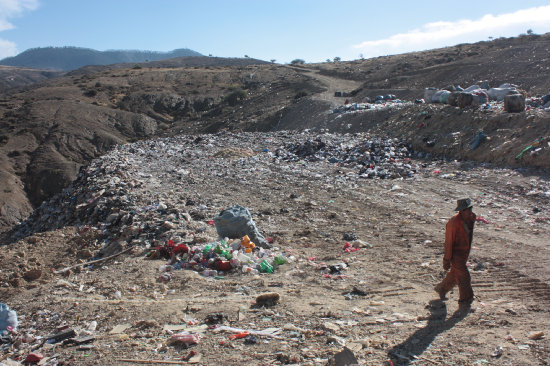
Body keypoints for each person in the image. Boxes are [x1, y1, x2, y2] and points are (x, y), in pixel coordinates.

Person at [434, 198, 476, 306]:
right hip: (456, 254)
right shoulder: (453, 223)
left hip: (464, 253)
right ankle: (465, 299)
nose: (470, 211)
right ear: (461, 211)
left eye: (470, 208)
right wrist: (446, 259)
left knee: (454, 274)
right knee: (464, 276)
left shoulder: (470, 218)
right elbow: (449, 242)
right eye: (467, 209)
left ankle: (441, 288)